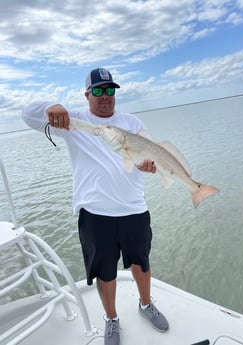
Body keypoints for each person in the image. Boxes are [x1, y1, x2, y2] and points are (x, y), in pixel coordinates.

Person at [22, 67, 169, 345]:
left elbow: (149, 153)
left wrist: (151, 166)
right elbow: (27, 114)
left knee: (142, 262)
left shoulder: (132, 122)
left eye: (110, 90)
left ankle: (146, 304)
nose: (105, 96)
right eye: (99, 91)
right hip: (95, 214)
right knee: (105, 271)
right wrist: (50, 106)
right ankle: (111, 319)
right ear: (87, 94)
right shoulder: (73, 121)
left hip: (135, 209)